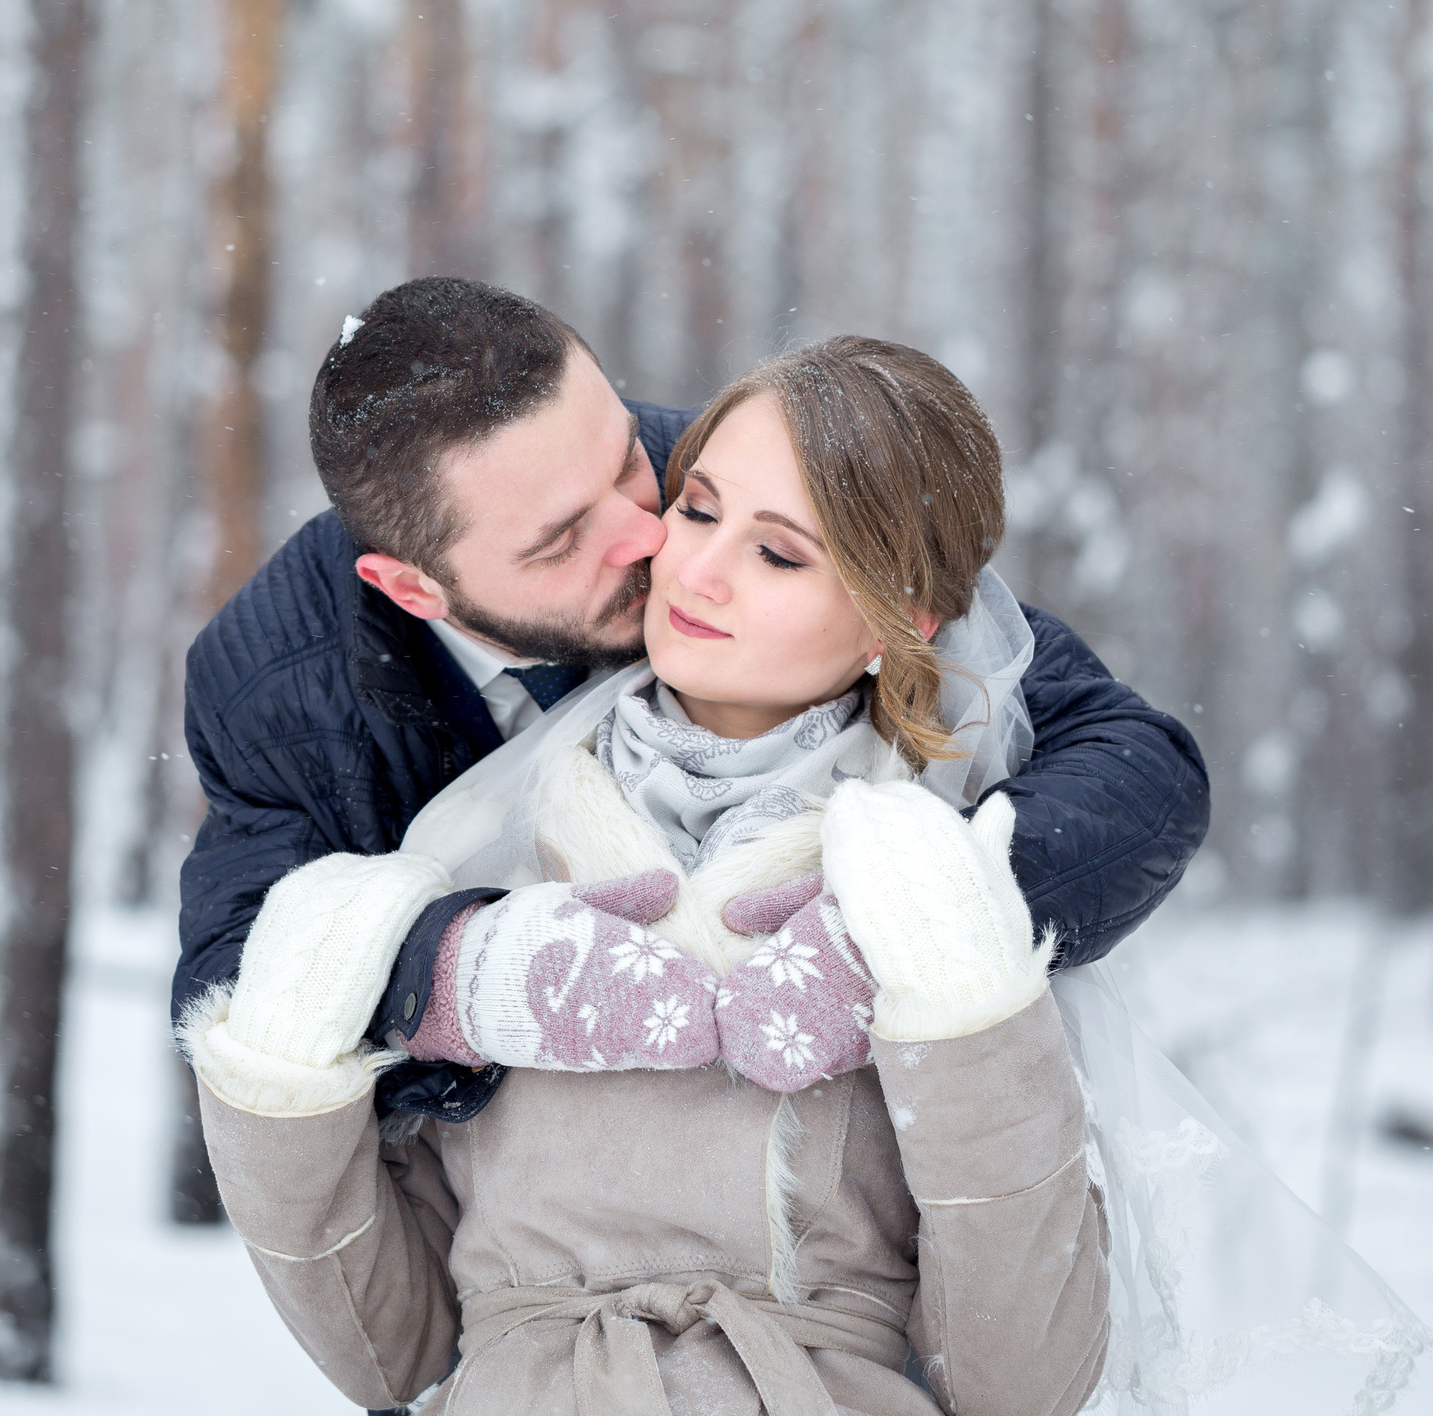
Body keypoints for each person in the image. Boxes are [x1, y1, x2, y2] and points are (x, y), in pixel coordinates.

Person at [186, 339, 1115, 1414]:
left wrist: (950, 996)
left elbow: (1022, 1382)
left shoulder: (934, 881)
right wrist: (382, 984)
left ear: (899, 621)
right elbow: (392, 1350)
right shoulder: (471, 842)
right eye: (703, 509)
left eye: (780, 555)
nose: (677, 558)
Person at [171, 279, 1210, 1124]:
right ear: (414, 591)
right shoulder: (276, 688)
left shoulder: (728, 478)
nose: (655, 538)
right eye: (561, 541)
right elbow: (230, 977)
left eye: (629, 461)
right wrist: (461, 972)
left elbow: (1131, 764)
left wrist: (899, 930)